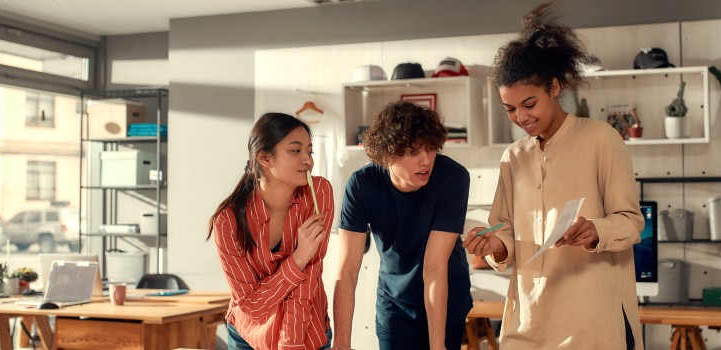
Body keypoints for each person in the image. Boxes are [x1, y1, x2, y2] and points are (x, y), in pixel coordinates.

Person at [462, 2, 645, 349]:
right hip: (528, 321)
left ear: (555, 88)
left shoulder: (601, 139)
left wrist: (595, 230)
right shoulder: (512, 157)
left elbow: (631, 222)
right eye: (510, 109)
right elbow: (504, 235)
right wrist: (494, 246)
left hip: (592, 321)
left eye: (530, 104)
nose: (521, 117)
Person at [332, 101, 472, 350]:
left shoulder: (453, 178)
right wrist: (341, 343)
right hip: (394, 302)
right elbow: (347, 270)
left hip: (445, 296)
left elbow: (434, 267)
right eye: (413, 152)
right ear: (386, 155)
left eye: (430, 149)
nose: (426, 160)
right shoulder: (362, 185)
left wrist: (437, 346)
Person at [208, 112, 335, 350]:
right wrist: (298, 257)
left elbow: (307, 281)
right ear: (265, 159)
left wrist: (291, 344)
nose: (308, 160)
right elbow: (251, 306)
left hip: (308, 333)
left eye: (310, 151)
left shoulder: (319, 193)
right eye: (296, 151)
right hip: (249, 336)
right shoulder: (228, 221)